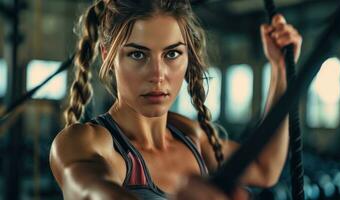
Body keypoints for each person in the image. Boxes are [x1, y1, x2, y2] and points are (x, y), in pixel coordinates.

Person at [49, 0, 302, 199]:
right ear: (108, 56)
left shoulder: (190, 136)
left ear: (187, 56)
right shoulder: (83, 143)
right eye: (138, 54)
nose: (158, 75)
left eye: (172, 53)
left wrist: (280, 70)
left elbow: (264, 168)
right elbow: (92, 192)